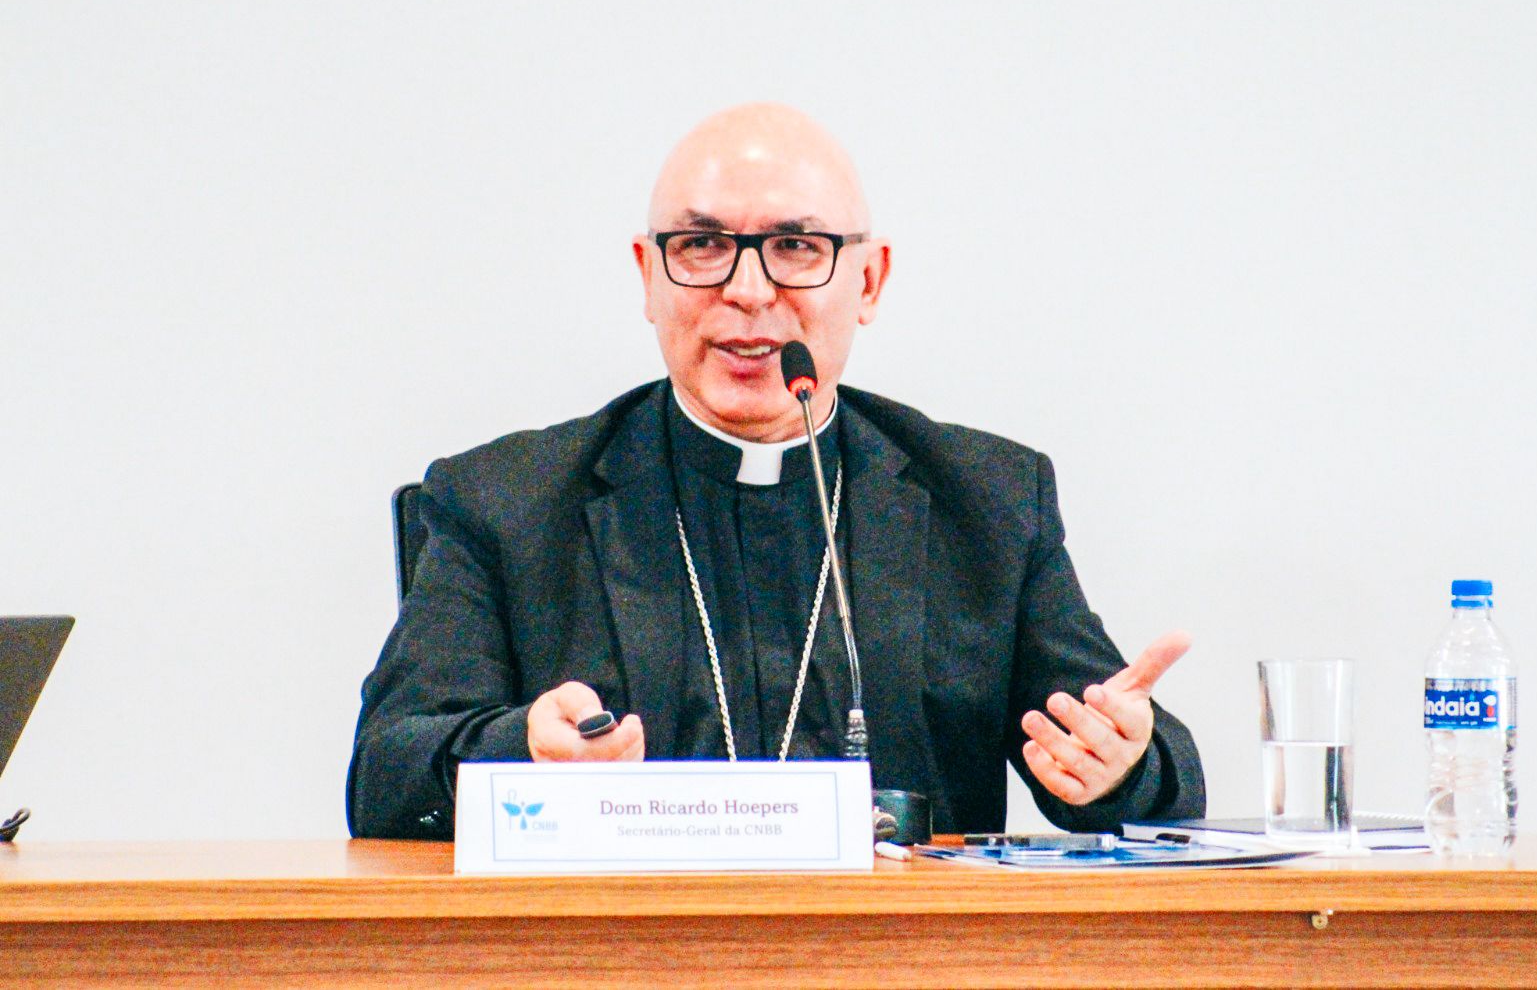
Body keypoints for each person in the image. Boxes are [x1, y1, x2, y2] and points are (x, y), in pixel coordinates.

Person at [347, 103, 1205, 839]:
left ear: (869, 281)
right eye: (701, 244)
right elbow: (384, 775)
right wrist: (523, 753)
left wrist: (1122, 765)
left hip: (906, 956)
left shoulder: (986, 501)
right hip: (621, 951)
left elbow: (1124, 745)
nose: (749, 290)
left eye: (795, 246)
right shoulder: (506, 503)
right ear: (648, 277)